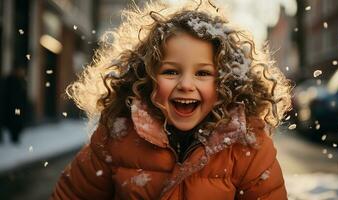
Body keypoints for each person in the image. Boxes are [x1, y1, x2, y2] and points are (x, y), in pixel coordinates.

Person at [51, 1, 292, 199]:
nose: (186, 85)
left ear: (224, 82)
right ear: (148, 77)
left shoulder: (247, 146)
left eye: (202, 73)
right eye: (171, 72)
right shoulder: (117, 136)